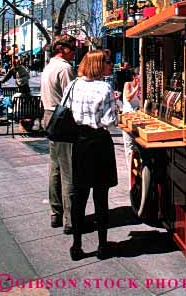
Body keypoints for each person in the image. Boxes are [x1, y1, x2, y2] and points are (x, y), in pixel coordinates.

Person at [64, 50, 118, 261]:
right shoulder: (104, 87)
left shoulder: (74, 85)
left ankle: (76, 246)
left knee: (80, 196)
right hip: (99, 143)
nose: (110, 65)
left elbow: (67, 110)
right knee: (100, 196)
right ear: (98, 64)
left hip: (80, 143)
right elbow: (109, 121)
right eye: (107, 61)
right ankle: (102, 245)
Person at [40, 34, 76, 235]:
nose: (74, 52)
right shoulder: (64, 68)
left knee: (55, 168)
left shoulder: (49, 67)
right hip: (61, 118)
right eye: (72, 48)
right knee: (67, 170)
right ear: (62, 48)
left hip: (49, 115)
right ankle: (70, 219)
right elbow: (71, 98)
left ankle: (56, 213)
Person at [122, 69, 141, 184]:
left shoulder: (140, 86)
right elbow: (128, 97)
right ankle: (131, 178)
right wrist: (137, 88)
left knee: (136, 146)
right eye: (139, 74)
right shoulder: (127, 84)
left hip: (136, 118)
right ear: (134, 76)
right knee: (129, 146)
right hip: (127, 118)